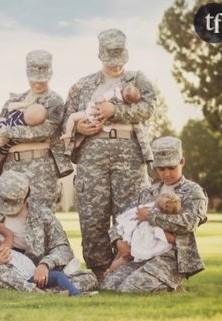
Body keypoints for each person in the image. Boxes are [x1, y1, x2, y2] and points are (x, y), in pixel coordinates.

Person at [63, 29, 156, 281]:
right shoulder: (83, 85)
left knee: (129, 213)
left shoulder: (137, 79)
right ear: (100, 55)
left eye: (119, 58)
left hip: (129, 153)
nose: (115, 65)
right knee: (93, 214)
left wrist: (116, 110)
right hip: (92, 154)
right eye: (110, 58)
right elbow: (66, 117)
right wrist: (79, 128)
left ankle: (128, 266)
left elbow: (149, 107)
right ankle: (99, 271)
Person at [102, 137, 208, 292]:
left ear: (182, 162)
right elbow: (126, 219)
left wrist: (150, 216)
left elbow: (189, 223)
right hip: (141, 253)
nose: (167, 173)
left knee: (131, 289)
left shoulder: (193, 192)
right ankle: (164, 283)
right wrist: (117, 241)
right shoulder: (148, 192)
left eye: (171, 167)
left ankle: (173, 285)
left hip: (172, 256)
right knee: (109, 286)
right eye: (161, 169)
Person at [0, 171, 97, 293]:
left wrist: (45, 264)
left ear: (26, 196)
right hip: (7, 272)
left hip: (38, 274)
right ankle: (39, 291)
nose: (9, 206)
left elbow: (63, 249)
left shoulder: (43, 216)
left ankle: (38, 291)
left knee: (88, 278)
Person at [0, 50, 71, 211]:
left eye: (42, 80)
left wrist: (8, 133)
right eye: (34, 79)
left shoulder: (54, 101)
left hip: (40, 168)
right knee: (8, 217)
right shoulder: (13, 101)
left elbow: (45, 130)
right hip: (10, 166)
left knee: (40, 218)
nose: (38, 84)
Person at [0, 234, 86, 296]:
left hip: (32, 276)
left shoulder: (4, 250)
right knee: (59, 276)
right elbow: (7, 272)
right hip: (27, 279)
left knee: (86, 277)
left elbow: (9, 237)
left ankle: (60, 291)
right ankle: (74, 294)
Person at [106, 192, 181, 274]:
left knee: (124, 257)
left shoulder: (157, 216)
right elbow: (131, 215)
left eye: (168, 207)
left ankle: (110, 272)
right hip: (132, 234)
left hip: (140, 238)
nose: (166, 207)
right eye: (167, 203)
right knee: (121, 255)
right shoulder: (146, 206)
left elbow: (159, 231)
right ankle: (109, 272)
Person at [61, 84, 142, 155]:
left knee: (72, 117)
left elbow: (100, 99)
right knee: (88, 130)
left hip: (91, 114)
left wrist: (97, 102)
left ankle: (68, 134)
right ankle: (77, 142)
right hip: (101, 124)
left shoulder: (114, 92)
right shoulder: (124, 105)